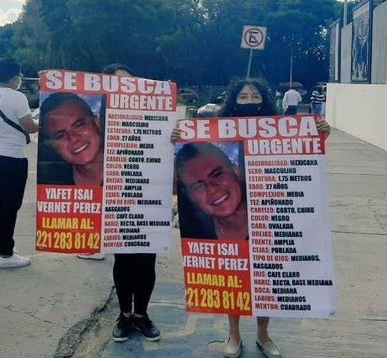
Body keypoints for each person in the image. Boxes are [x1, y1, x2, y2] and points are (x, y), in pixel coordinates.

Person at [172, 76, 329, 358]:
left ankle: (263, 334)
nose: (249, 102)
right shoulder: (216, 131)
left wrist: (320, 133)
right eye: (242, 97)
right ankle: (233, 334)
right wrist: (177, 140)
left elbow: (305, 156)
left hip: (268, 215)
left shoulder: (281, 129)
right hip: (228, 236)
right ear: (233, 101)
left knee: (266, 280)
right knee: (232, 281)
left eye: (254, 96)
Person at [99, 63, 161, 343]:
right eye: (118, 83)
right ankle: (124, 315)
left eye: (129, 81)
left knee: (147, 260)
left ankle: (141, 315)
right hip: (117, 194)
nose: (125, 88)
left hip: (149, 193)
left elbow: (169, 143)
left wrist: (175, 138)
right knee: (123, 260)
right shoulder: (100, 118)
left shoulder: (155, 112)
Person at [0, 58, 39, 269]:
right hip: (12, 158)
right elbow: (29, 126)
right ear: (15, 78)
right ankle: (6, 254)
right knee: (10, 205)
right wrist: (42, 121)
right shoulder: (17, 97)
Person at [176, 142, 247, 241]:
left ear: (236, 171)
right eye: (198, 186)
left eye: (217, 174)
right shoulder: (194, 234)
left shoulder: (271, 220)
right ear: (191, 197)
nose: (212, 189)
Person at [38, 92, 104, 186]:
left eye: (79, 125)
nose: (73, 138)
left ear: (97, 123)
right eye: (61, 135)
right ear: (53, 145)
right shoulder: (50, 181)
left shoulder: (126, 172)